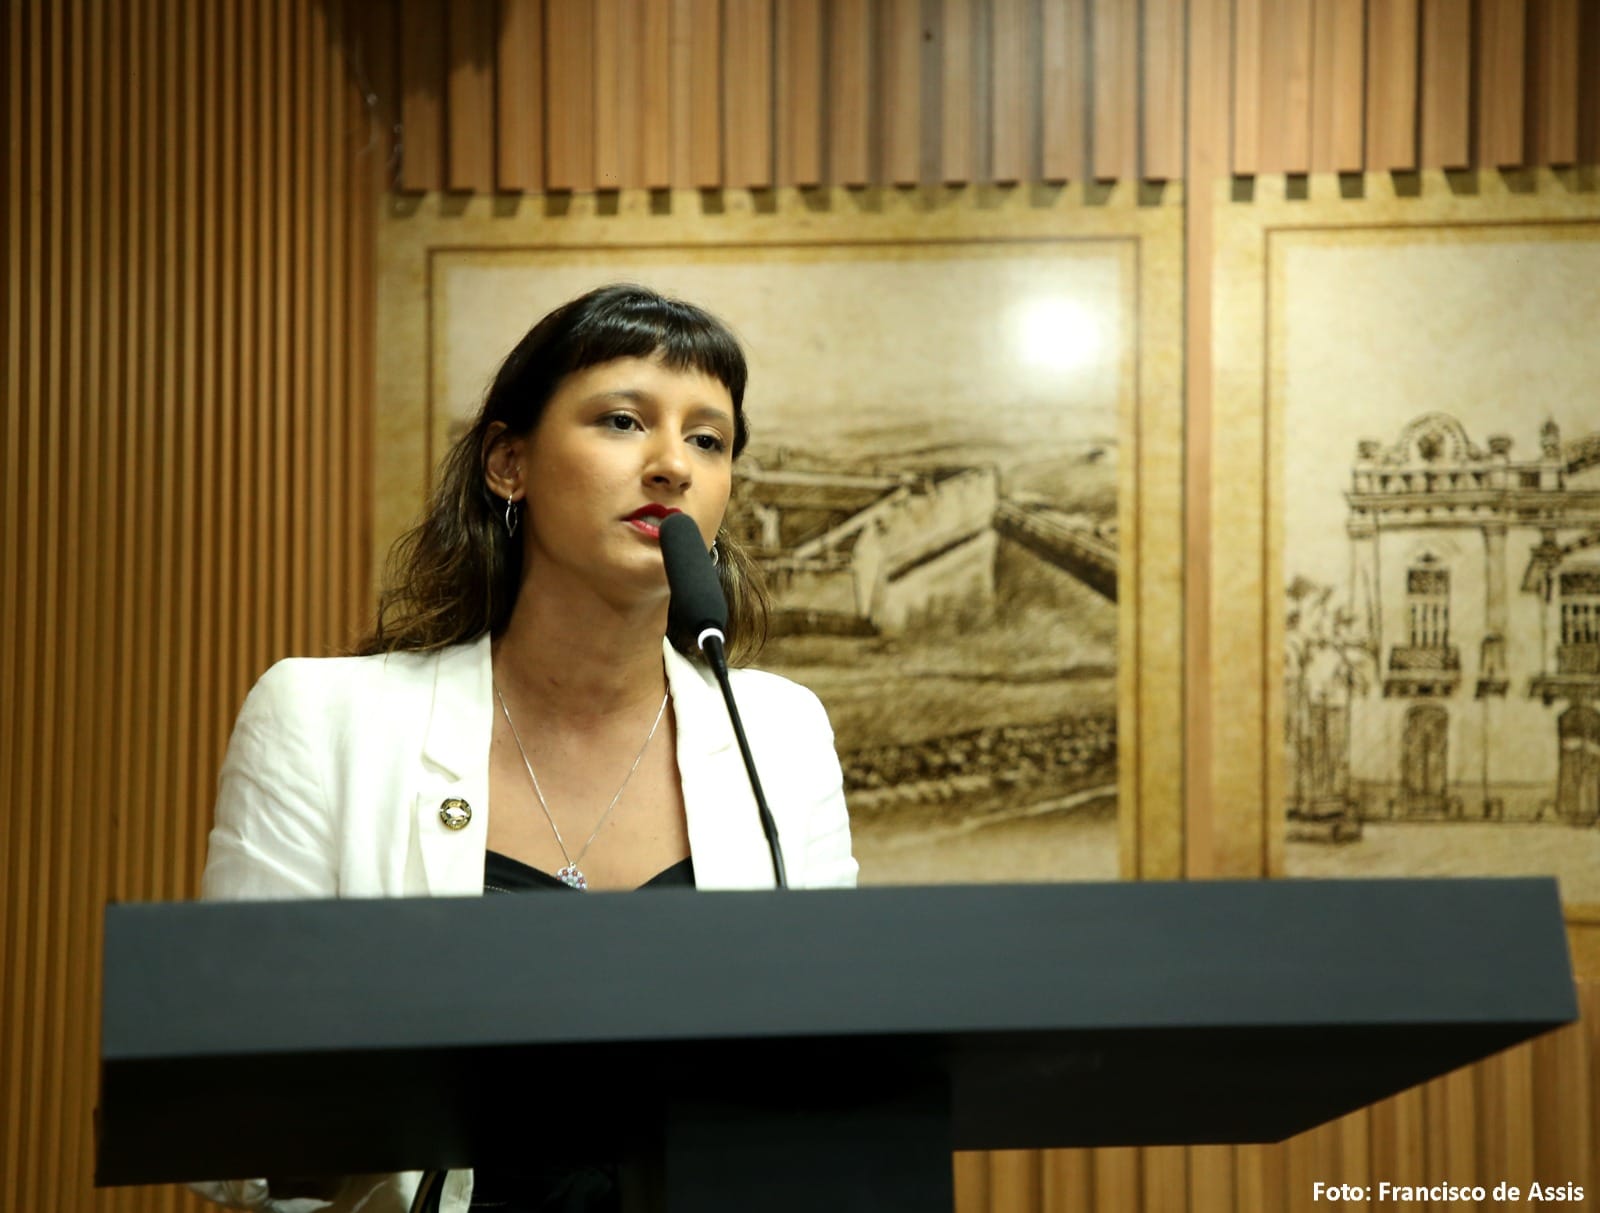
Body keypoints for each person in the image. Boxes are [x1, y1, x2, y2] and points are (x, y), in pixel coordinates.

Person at [193, 283, 858, 1213]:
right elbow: (226, 1123)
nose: (673, 464)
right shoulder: (322, 718)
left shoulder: (779, 734)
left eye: (709, 439)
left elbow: (837, 1082)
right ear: (510, 462)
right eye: (623, 420)